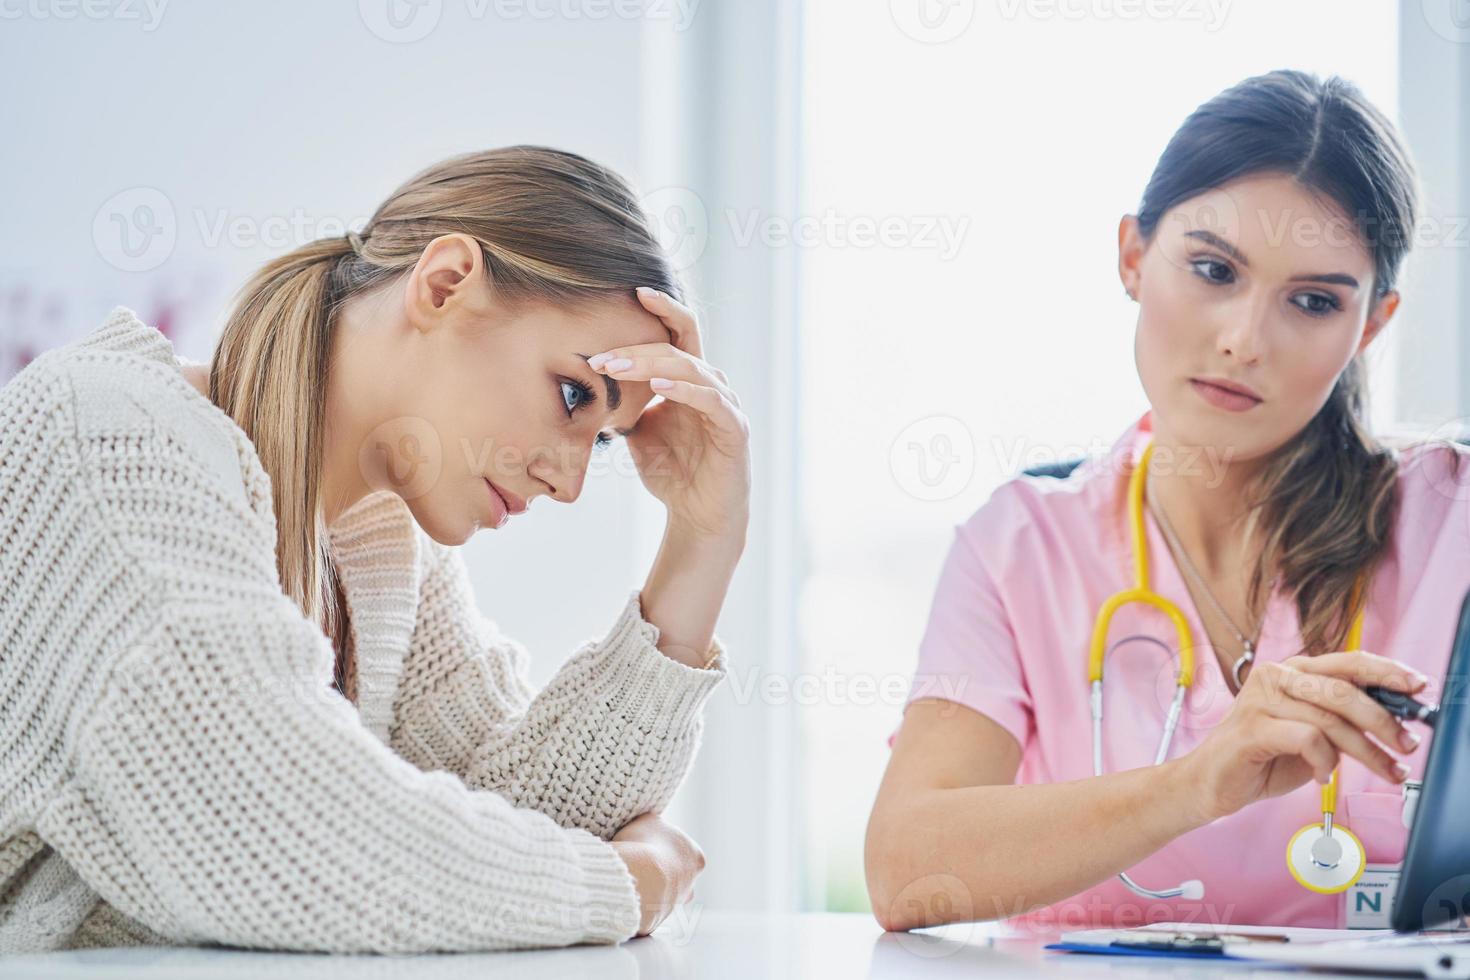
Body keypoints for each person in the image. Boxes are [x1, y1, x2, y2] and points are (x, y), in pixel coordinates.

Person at [0, 147, 751, 953]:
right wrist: (625, 887)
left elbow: (517, 820)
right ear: (445, 283)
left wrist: (701, 541)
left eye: (603, 442)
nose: (568, 483)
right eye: (573, 395)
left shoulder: (378, 540)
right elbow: (283, 838)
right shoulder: (105, 434)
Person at [866, 70, 1469, 932]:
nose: (1243, 339)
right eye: (1214, 269)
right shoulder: (1024, 546)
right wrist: (1199, 781)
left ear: (1371, 325)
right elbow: (905, 873)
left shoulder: (1454, 522)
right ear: (1133, 257)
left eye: (1313, 301)